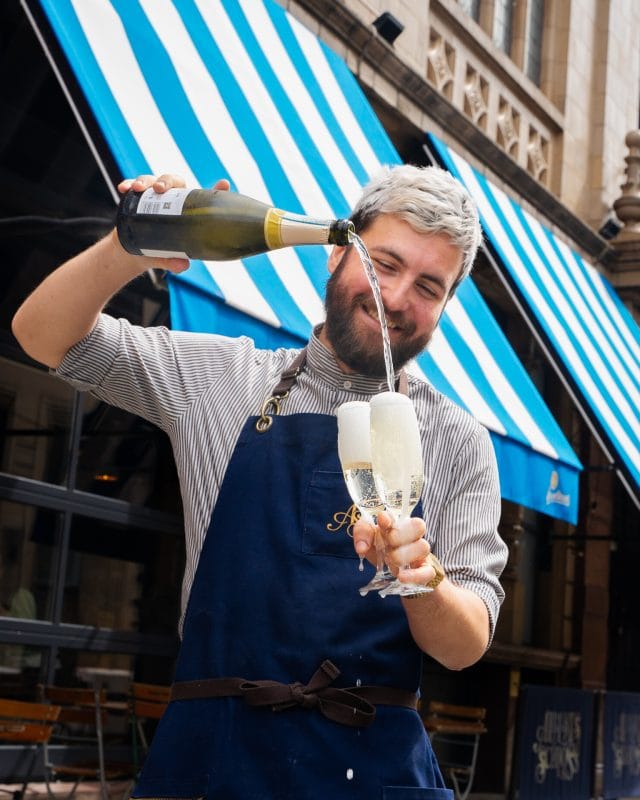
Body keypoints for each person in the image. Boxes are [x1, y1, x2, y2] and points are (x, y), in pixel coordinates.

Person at [12, 165, 508, 798]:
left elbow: (465, 645)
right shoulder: (223, 381)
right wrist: (127, 248)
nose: (396, 297)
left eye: (429, 286)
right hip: (210, 766)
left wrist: (423, 581)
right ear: (336, 250)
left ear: (444, 306)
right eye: (383, 262)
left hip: (372, 774)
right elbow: (42, 336)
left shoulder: (458, 440)